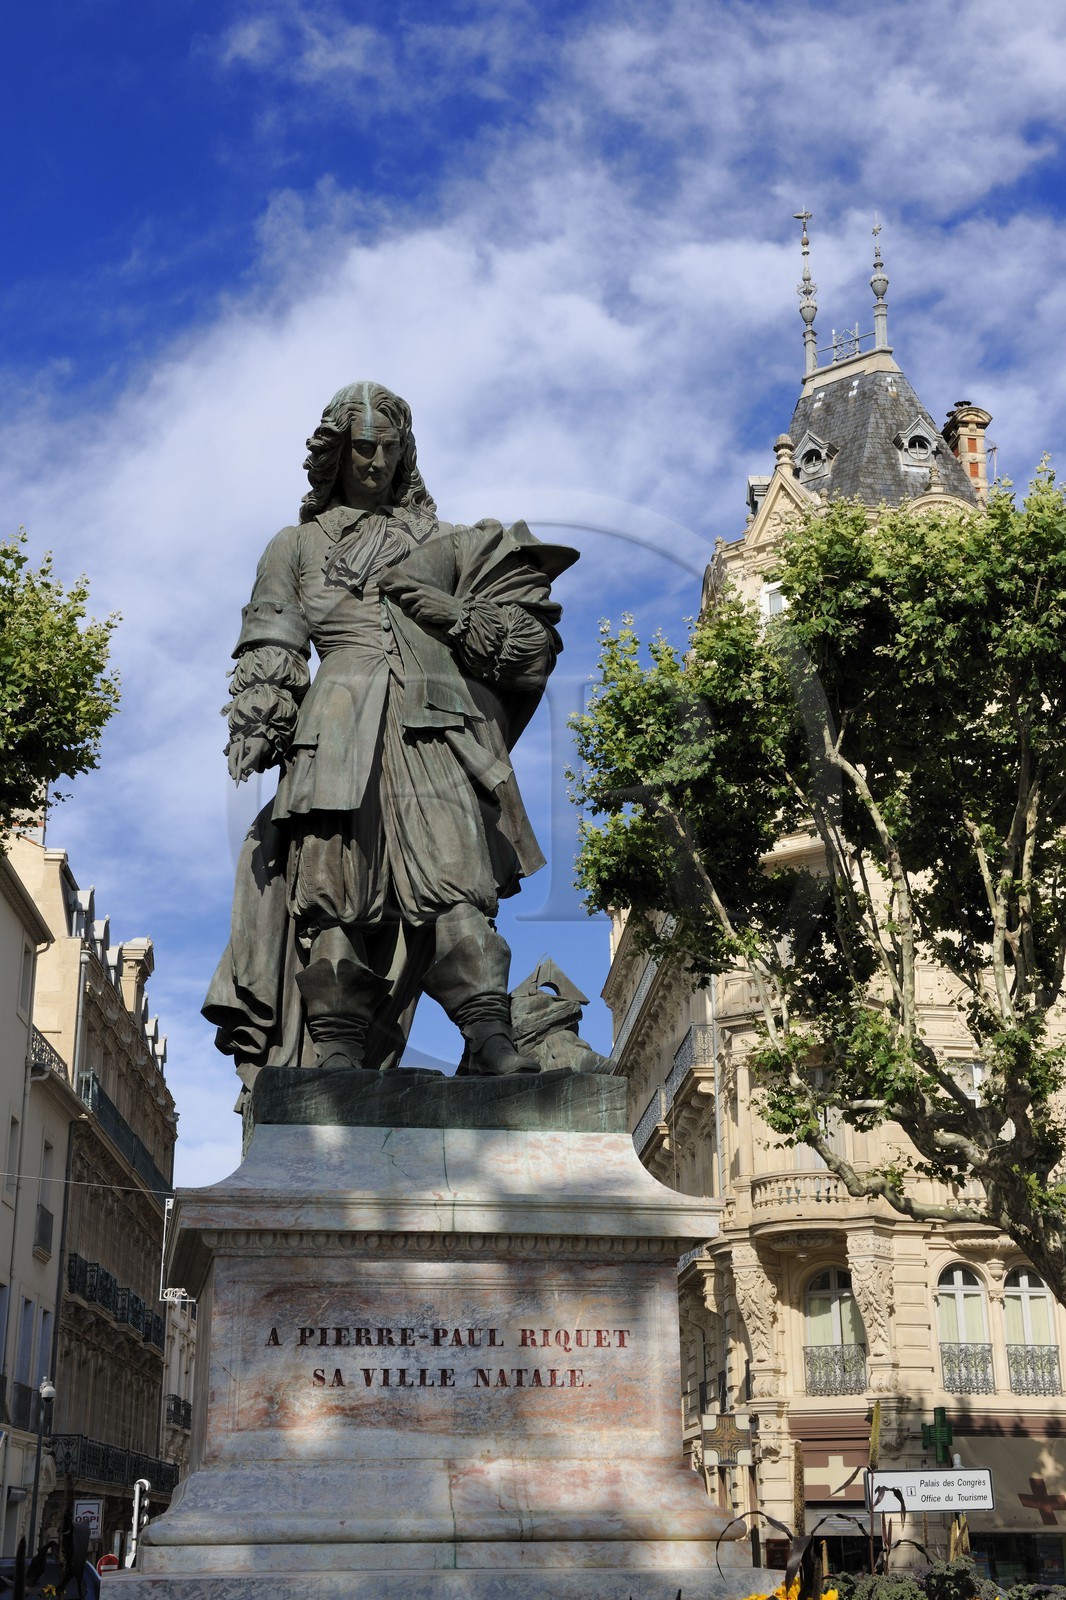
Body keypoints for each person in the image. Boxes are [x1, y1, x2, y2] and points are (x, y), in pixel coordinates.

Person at [203, 382, 576, 1082]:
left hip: (434, 725)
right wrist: (260, 715)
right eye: (360, 447)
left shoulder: (453, 542)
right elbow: (272, 638)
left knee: (457, 883)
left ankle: (490, 1038)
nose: (373, 462)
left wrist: (456, 617)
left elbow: (531, 644)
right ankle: (338, 1051)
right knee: (334, 896)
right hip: (336, 728)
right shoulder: (295, 545)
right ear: (337, 452)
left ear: (406, 452)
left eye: (387, 448)